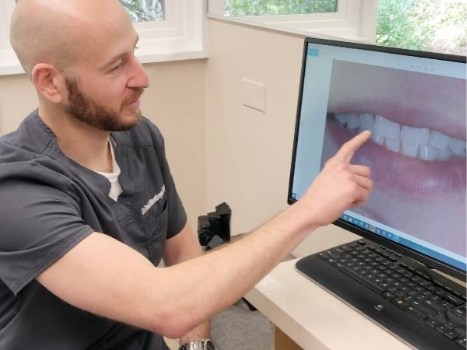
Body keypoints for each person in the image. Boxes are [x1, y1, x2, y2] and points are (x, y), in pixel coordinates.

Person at [0, 0, 373, 349]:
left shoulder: (139, 138)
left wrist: (197, 345)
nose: (142, 77)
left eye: (135, 51)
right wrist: (308, 210)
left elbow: (184, 255)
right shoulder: (17, 188)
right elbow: (168, 305)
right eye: (116, 66)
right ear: (50, 82)